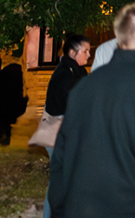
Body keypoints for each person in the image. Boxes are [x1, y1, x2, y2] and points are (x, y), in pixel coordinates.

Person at [47, 3, 135, 218]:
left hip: (81, 206)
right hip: (134, 208)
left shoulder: (84, 87)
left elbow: (62, 156)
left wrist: (60, 206)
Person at [40, 35, 92, 215]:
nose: (89, 55)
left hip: (66, 133)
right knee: (59, 183)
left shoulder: (76, 72)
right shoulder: (64, 74)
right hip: (58, 133)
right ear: (72, 52)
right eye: (85, 51)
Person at [0, 58, 28, 146]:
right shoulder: (15, 82)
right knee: (5, 125)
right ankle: (4, 141)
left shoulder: (2, 79)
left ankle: (1, 140)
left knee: (1, 125)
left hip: (1, 108)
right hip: (8, 109)